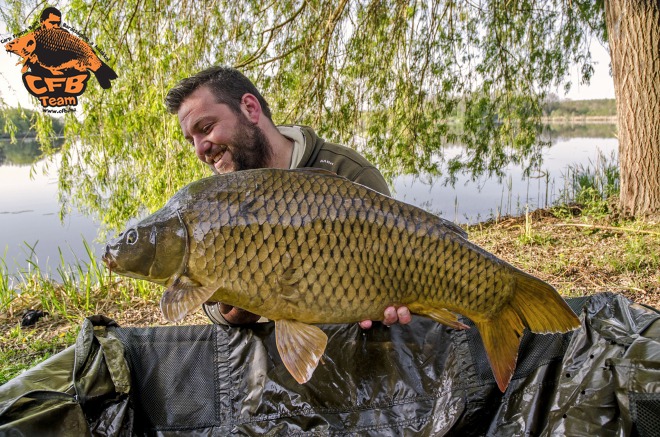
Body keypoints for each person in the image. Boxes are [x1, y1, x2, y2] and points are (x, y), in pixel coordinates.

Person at [165, 66, 411, 328]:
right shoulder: (218, 201)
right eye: (192, 140)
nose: (201, 149)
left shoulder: (346, 172)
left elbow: (403, 266)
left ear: (249, 108)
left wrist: (395, 310)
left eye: (206, 127)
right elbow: (213, 310)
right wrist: (237, 311)